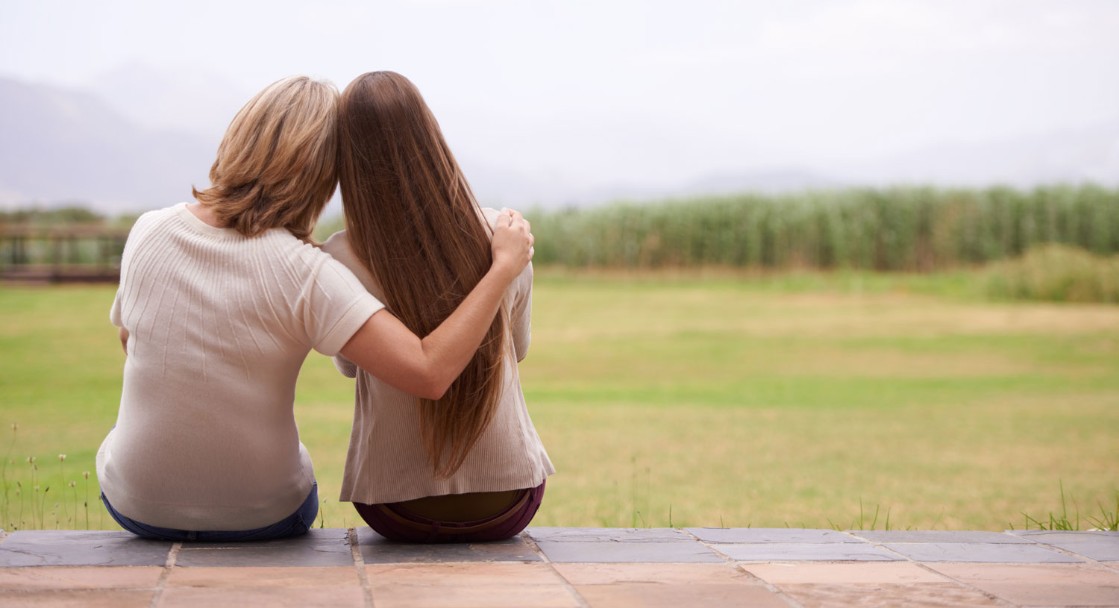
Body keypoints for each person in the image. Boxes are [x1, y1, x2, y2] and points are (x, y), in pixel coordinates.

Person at [96, 75, 534, 542]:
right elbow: (428, 371)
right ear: (325, 174)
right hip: (263, 512)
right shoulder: (307, 271)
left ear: (237, 137)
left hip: (135, 503)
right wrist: (501, 268)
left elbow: (132, 340)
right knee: (292, 465)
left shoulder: (149, 230)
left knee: (115, 445)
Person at [322, 71, 553, 543]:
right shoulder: (503, 235)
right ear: (431, 137)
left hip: (394, 507)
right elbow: (519, 348)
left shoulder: (339, 257)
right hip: (508, 503)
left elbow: (350, 367)